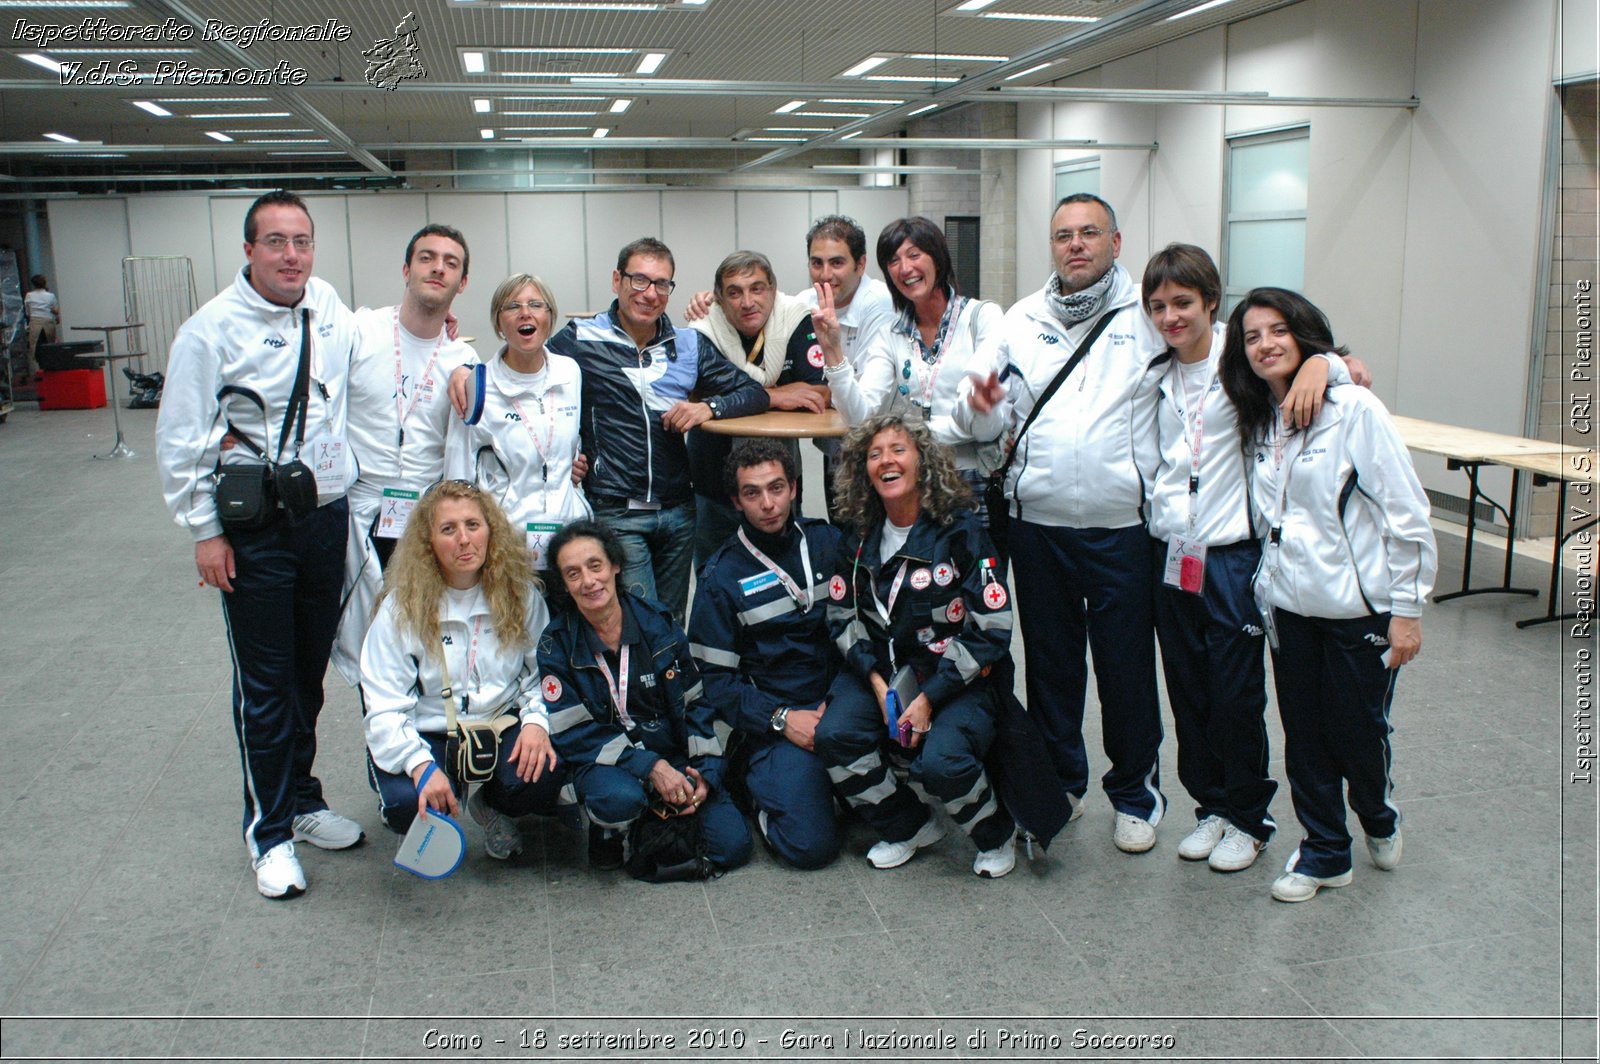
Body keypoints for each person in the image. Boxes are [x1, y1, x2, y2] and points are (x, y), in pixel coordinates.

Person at [156, 189, 363, 900]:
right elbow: (180, 440)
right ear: (248, 250)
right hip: (253, 532)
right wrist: (204, 532)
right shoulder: (208, 330)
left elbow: (374, 344)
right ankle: (268, 833)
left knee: (309, 673)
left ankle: (302, 801)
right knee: (265, 685)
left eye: (301, 241)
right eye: (275, 241)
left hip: (321, 518)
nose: (290, 255)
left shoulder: (326, 305)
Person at [959, 193, 1168, 854]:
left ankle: (1135, 793)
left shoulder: (1148, 315)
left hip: (1123, 529)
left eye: (1088, 234)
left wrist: (1328, 361)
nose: (1075, 245)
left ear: (1116, 241)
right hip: (1038, 525)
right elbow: (986, 422)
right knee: (1052, 667)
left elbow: (1229, 353)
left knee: (1125, 668)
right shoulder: (1022, 321)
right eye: (1062, 236)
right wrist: (982, 409)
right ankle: (1063, 783)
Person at [1219, 287, 1436, 903]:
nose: (1265, 345)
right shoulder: (1258, 414)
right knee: (1305, 737)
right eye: (1252, 336)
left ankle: (1376, 809)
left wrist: (1408, 613)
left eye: (1278, 330)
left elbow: (1407, 515)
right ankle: (1324, 851)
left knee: (1357, 731)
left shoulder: (1355, 410)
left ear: (1304, 333)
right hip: (1289, 608)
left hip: (1358, 612)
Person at [1139, 244, 1349, 873]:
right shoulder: (1155, 373)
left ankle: (1250, 818)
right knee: (1188, 692)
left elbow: (1326, 366)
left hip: (1232, 557)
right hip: (1172, 554)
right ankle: (1210, 807)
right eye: (1158, 307)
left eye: (1183, 303)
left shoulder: (1244, 359)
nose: (1171, 317)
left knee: (1235, 694)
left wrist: (1328, 364)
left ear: (1210, 301)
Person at [815, 413, 1018, 877]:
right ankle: (908, 824)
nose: (886, 460)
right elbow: (841, 616)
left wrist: (927, 700)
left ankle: (994, 835)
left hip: (958, 680)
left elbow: (992, 627)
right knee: (835, 734)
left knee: (942, 763)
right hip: (886, 675)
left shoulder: (962, 532)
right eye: (874, 454)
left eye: (898, 450)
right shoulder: (858, 538)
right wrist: (875, 682)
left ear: (923, 463)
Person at [542, 238, 769, 623]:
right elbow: (531, 379)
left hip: (678, 510)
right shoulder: (580, 338)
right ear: (617, 280)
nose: (650, 294)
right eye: (640, 281)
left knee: (671, 623)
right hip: (616, 510)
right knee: (640, 621)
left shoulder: (688, 344)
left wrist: (706, 407)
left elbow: (752, 393)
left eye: (662, 284)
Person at [360, 481, 563, 859]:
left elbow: (543, 673)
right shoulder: (400, 609)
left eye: (473, 525)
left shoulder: (521, 594)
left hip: (500, 722)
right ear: (428, 542)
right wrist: (419, 765)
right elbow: (384, 703)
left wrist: (536, 722)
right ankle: (438, 787)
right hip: (433, 730)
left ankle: (492, 804)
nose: (464, 540)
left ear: (491, 531)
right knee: (409, 804)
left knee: (543, 774)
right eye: (448, 529)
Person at [538, 520, 753, 874]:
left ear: (615, 565)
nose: (589, 581)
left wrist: (706, 776)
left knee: (733, 846)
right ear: (563, 584)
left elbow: (696, 705)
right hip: (606, 762)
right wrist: (650, 768)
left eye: (595, 566)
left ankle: (652, 819)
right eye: (573, 574)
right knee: (618, 800)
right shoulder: (555, 645)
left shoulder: (659, 624)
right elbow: (571, 733)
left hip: (669, 752)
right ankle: (612, 825)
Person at [330, 225, 478, 687]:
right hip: (355, 508)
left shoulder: (462, 358)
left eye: (451, 263)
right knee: (360, 642)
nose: (438, 268)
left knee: (417, 644)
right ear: (406, 269)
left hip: (419, 516)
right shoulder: (361, 331)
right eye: (427, 258)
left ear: (462, 283)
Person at [687, 439, 844, 869]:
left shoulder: (829, 542)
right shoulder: (721, 576)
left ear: (794, 487)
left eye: (776, 488)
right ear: (736, 501)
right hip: (776, 718)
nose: (768, 504)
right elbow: (714, 683)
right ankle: (752, 787)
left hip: (840, 702)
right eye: (753, 493)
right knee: (811, 848)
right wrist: (781, 719)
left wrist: (843, 703)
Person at [820, 218, 1004, 499]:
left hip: (969, 482)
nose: (905, 268)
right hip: (910, 483)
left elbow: (982, 430)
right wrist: (833, 351)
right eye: (893, 260)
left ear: (938, 259)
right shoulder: (891, 334)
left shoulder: (982, 318)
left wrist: (905, 433)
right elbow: (860, 417)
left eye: (915, 255)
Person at [687, 250, 829, 568]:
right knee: (715, 572)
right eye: (734, 293)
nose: (747, 302)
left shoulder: (794, 317)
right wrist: (778, 396)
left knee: (786, 570)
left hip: (778, 480)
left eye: (757, 289)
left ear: (773, 290)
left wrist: (745, 395)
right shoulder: (704, 328)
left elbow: (820, 391)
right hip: (713, 480)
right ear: (720, 300)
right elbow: (700, 392)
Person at [446, 273, 589, 573]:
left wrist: (574, 462)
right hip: (507, 543)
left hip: (570, 535)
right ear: (499, 323)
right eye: (513, 306)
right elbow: (457, 477)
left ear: (550, 318)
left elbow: (565, 443)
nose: (526, 312)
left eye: (536, 304)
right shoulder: (476, 385)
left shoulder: (570, 372)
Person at [24, 274, 58, 378]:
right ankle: (50, 368)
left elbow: (28, 312)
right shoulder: (50, 295)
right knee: (49, 345)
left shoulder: (29, 295)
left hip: (35, 322)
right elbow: (55, 310)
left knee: (35, 348)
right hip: (48, 322)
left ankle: (38, 371)